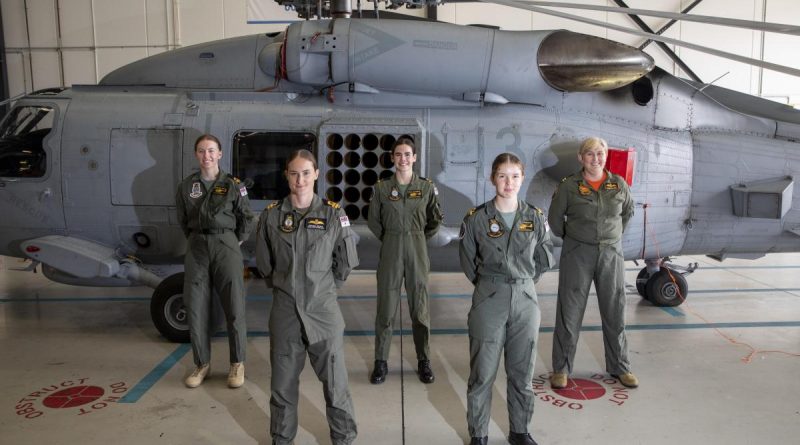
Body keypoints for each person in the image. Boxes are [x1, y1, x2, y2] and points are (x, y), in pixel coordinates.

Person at [256, 149, 359, 445]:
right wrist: (286, 285)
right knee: (282, 388)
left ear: (316, 174)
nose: (299, 179)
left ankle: (343, 439)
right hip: (285, 313)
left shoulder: (333, 213)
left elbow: (346, 261)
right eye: (293, 173)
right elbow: (264, 263)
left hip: (324, 313)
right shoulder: (272, 215)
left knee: (336, 386)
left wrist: (323, 288)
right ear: (286, 176)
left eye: (305, 173)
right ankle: (282, 439)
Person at [459, 153, 553, 445]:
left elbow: (545, 257)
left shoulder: (535, 218)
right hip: (489, 298)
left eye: (514, 176)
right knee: (482, 374)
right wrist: (491, 284)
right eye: (502, 175)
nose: (508, 182)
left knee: (522, 374)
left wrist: (523, 281)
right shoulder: (477, 219)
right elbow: (467, 260)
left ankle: (520, 431)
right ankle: (479, 435)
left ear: (522, 178)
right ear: (492, 179)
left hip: (525, 300)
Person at [548, 136, 637, 390]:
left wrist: (612, 236)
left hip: (611, 254)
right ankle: (561, 368)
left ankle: (620, 366)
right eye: (590, 154)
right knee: (570, 310)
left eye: (600, 153)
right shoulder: (568, 186)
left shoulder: (618, 184)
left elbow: (627, 213)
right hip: (578, 254)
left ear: (606, 156)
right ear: (580, 158)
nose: (595, 158)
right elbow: (556, 221)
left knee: (615, 308)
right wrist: (576, 238)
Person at [175, 133, 255, 389]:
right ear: (196, 155)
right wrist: (198, 238)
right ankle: (202, 364)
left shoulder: (233, 185)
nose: (206, 156)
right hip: (197, 247)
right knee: (195, 306)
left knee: (234, 307)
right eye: (201, 151)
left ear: (220, 154)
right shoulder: (187, 186)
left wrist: (235, 241)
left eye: (211, 151)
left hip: (226, 246)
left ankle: (237, 363)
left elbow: (247, 217)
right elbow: (182, 219)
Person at [367, 137, 443, 384]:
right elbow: (374, 222)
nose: (403, 159)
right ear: (392, 158)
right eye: (398, 154)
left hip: (417, 249)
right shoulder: (381, 189)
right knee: (385, 309)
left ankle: (424, 361)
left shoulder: (426, 188)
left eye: (407, 154)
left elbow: (434, 220)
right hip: (390, 249)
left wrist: (416, 237)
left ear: (415, 157)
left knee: (420, 309)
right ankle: (380, 362)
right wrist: (392, 238)